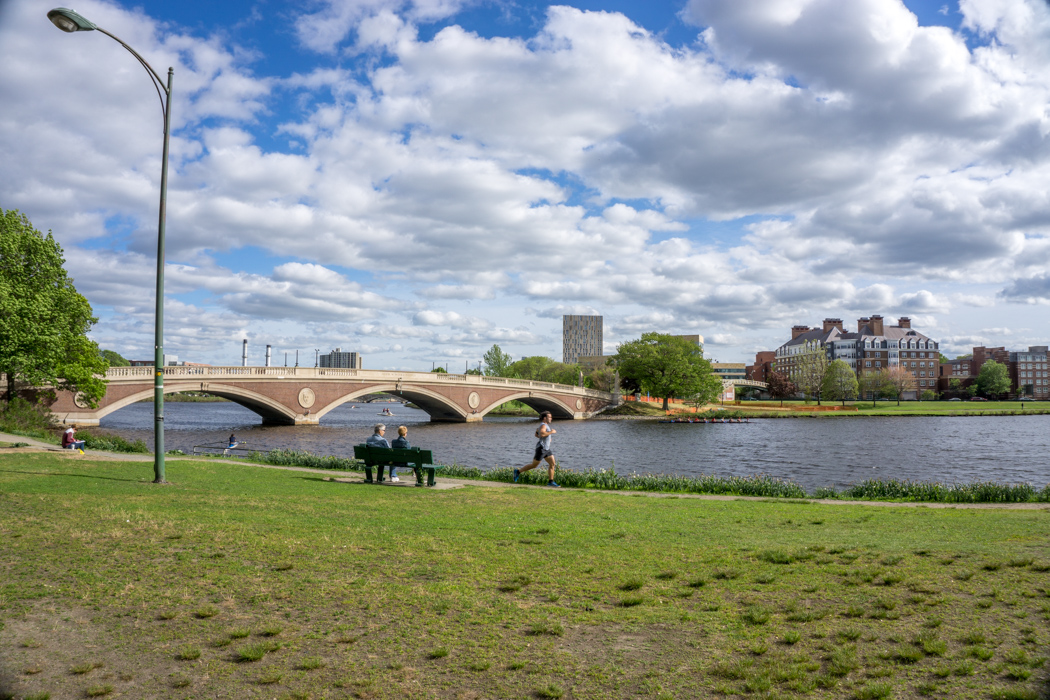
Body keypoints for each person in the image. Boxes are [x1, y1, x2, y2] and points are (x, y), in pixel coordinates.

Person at [514, 411, 559, 487]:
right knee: (534, 465)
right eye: (550, 417)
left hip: (546, 449)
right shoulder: (543, 425)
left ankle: (550, 482)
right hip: (541, 449)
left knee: (552, 463)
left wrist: (547, 439)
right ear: (545, 418)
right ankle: (518, 472)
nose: (551, 418)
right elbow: (542, 434)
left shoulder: (544, 425)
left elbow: (537, 434)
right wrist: (551, 432)